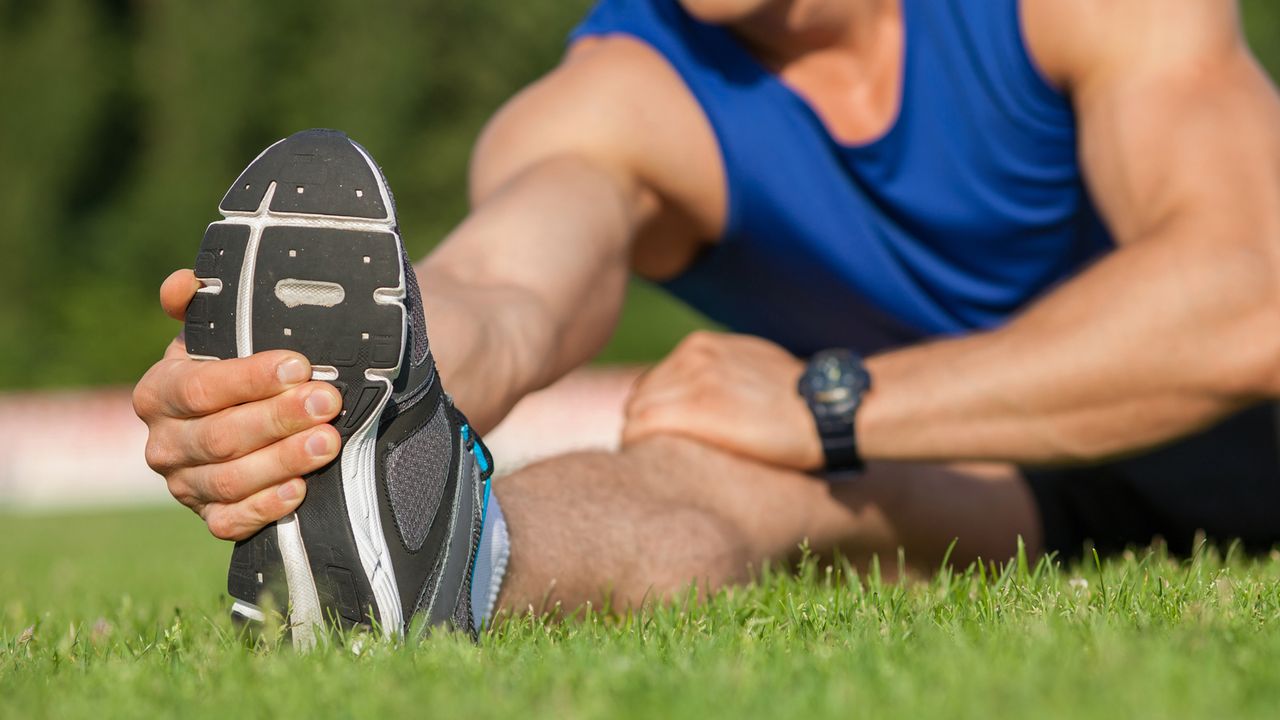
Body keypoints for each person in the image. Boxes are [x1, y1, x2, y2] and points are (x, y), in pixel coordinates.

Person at [134, 0, 1280, 629]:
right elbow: (508, 289)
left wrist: (831, 402)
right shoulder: (620, 95)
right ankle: (431, 576)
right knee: (695, 460)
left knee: (759, 423)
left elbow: (1250, 296)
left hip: (1235, 426)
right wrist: (317, 384)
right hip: (966, 475)